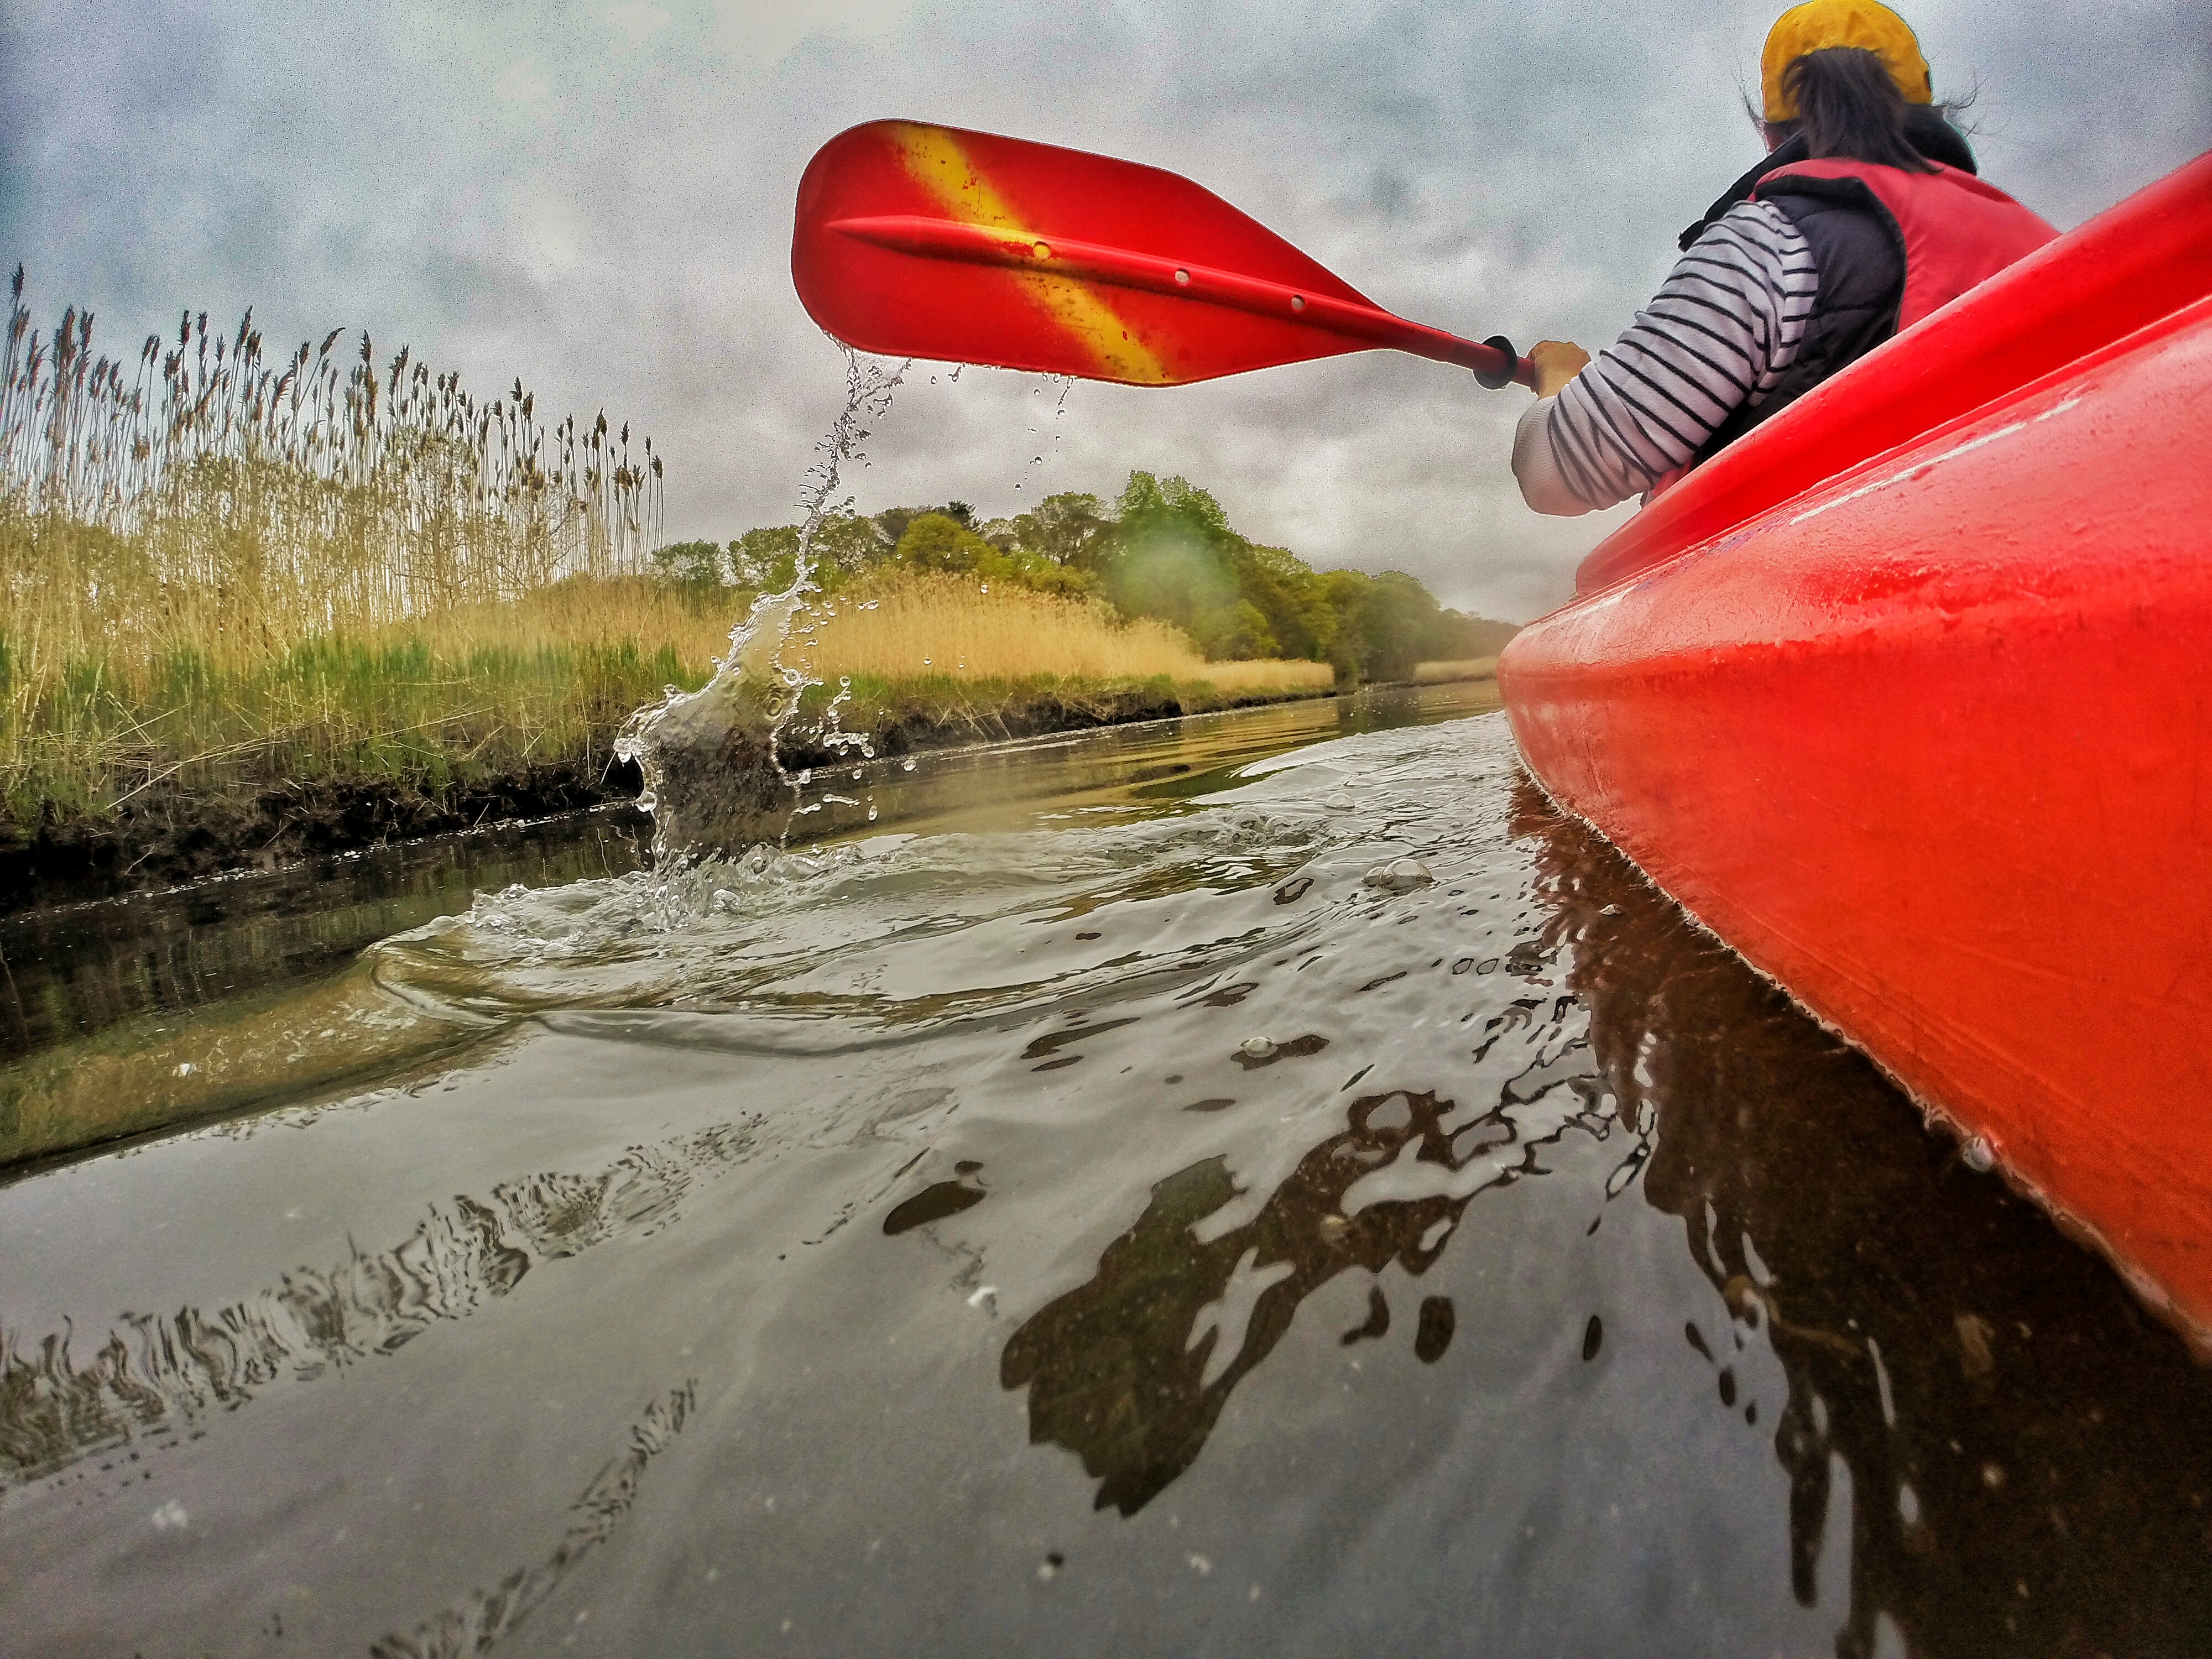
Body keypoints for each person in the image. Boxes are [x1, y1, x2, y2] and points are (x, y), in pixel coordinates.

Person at [1513, 1, 2058, 517]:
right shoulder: (2044, 247)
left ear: (1769, 131)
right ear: (1931, 112)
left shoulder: (1772, 240)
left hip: (1841, 599)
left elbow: (1556, 471)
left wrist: (1559, 379)